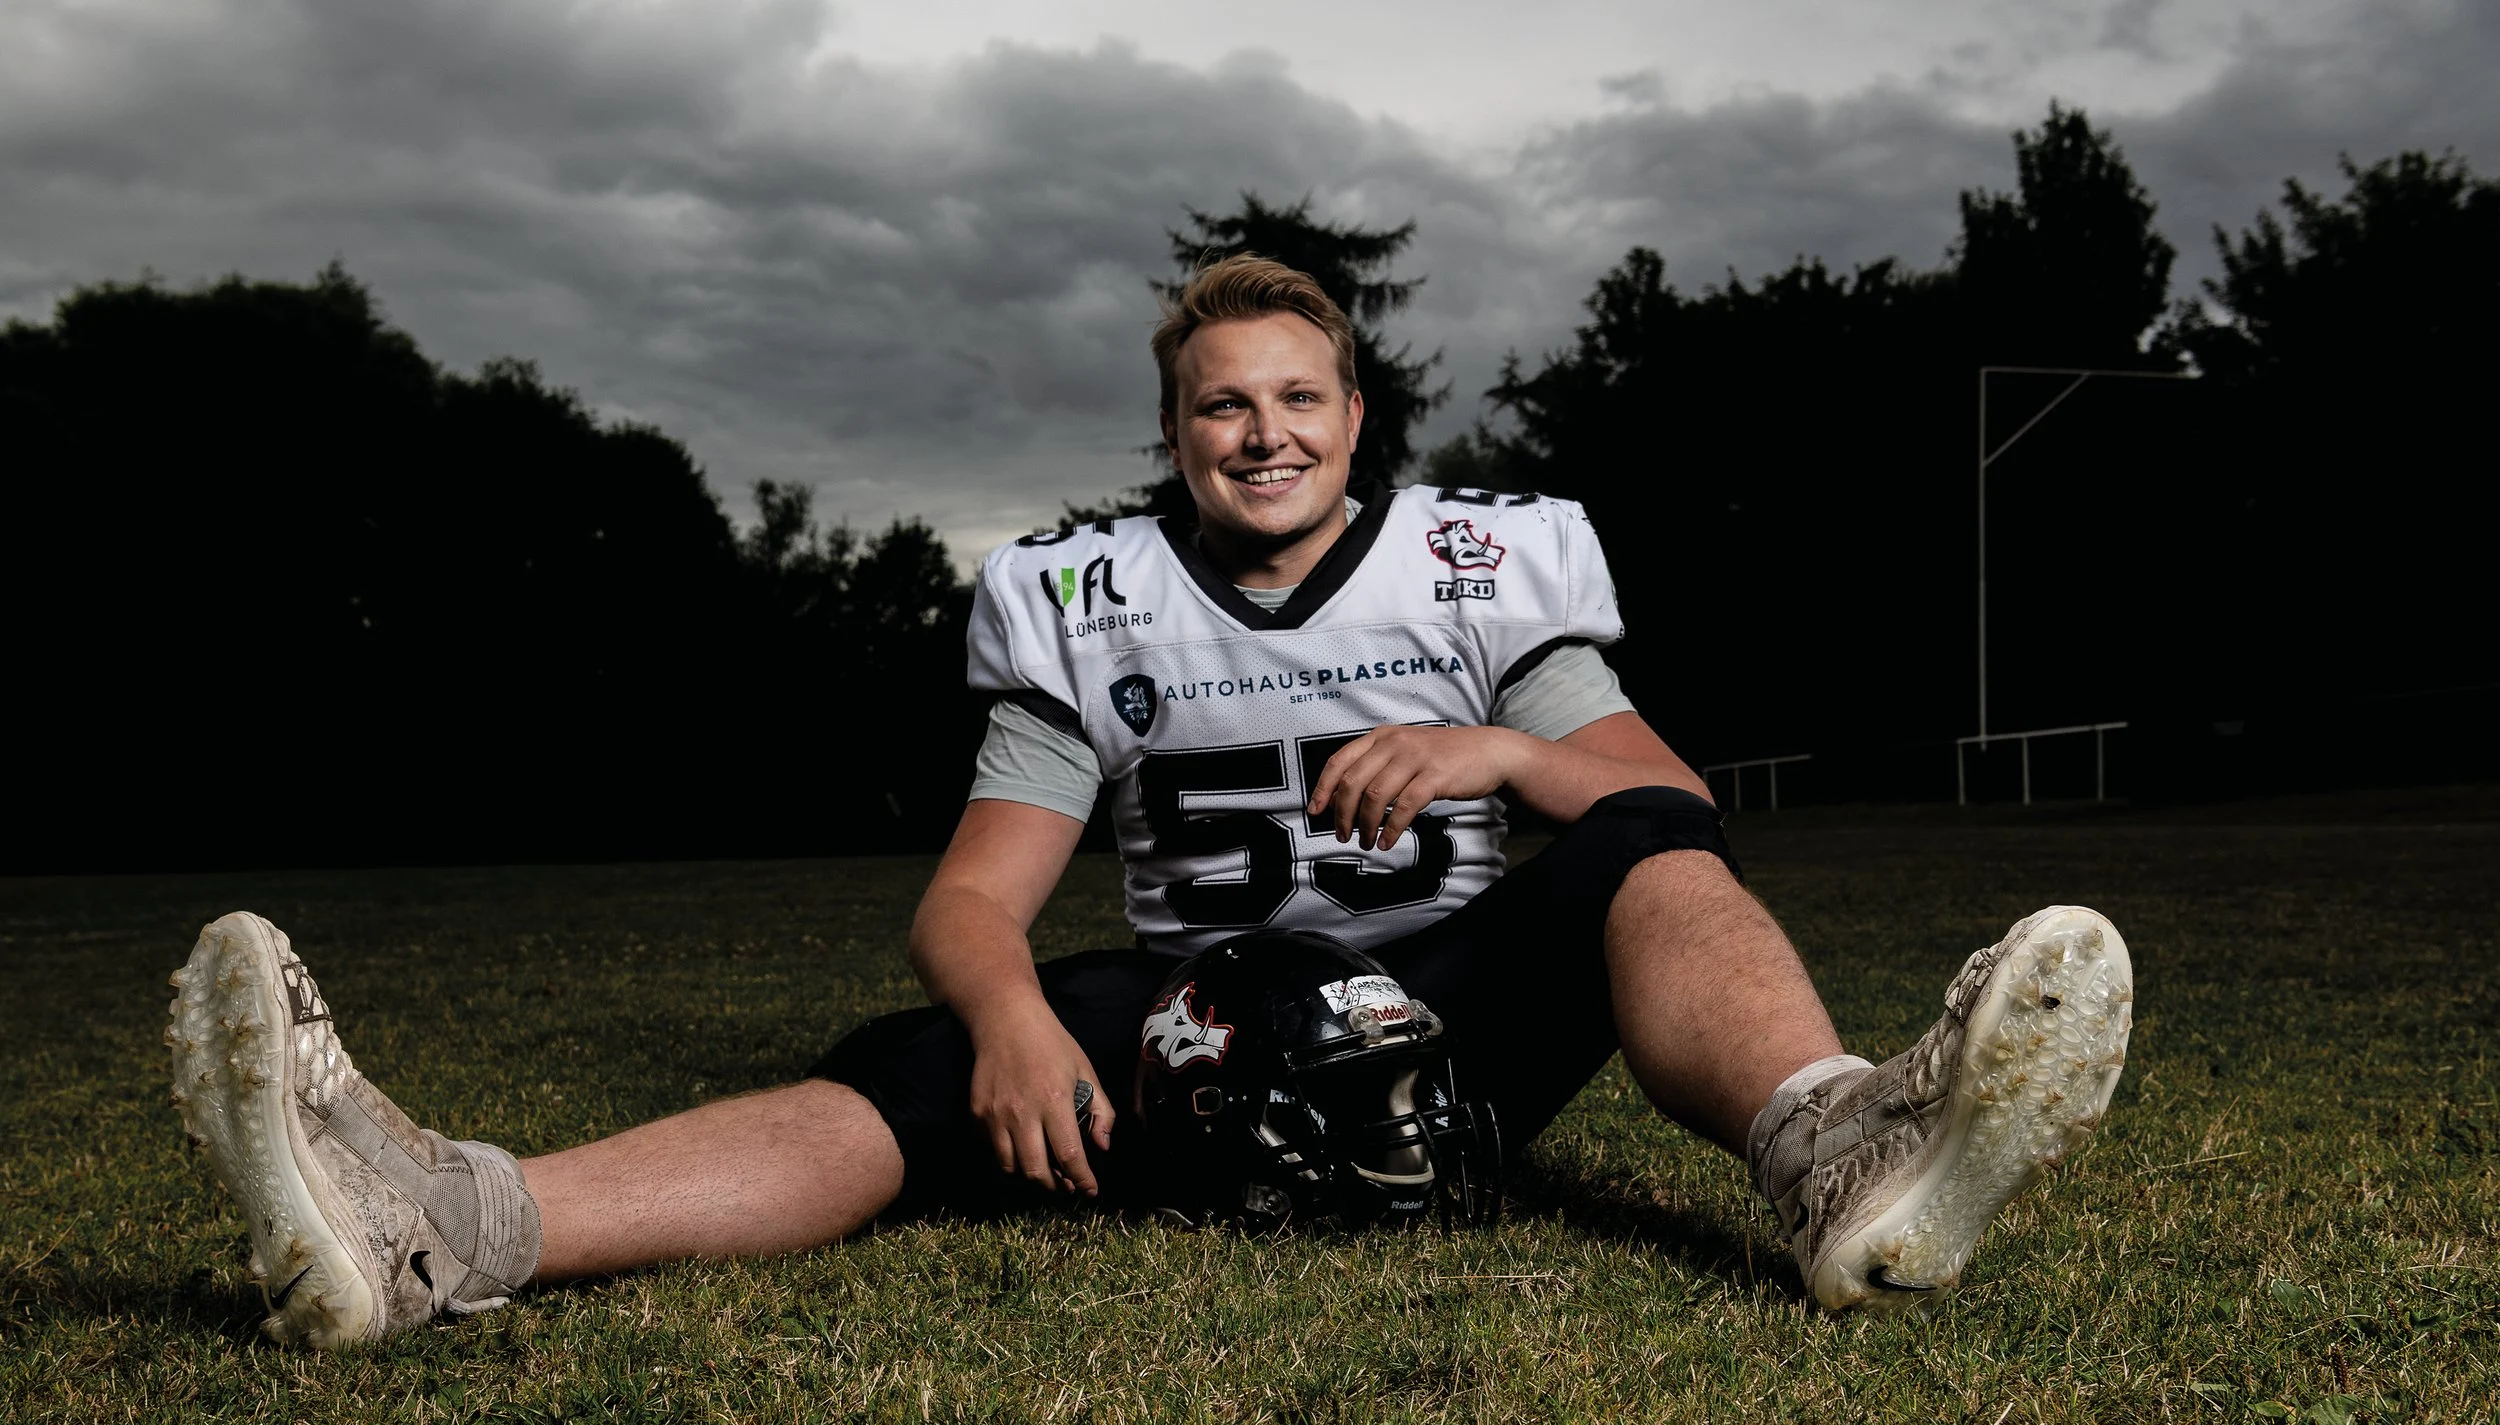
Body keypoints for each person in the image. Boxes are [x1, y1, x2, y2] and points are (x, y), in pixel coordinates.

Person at [164, 254, 2133, 1349]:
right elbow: (970, 897)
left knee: (1632, 848)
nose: (1262, 433)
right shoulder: (1081, 597)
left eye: (1298, 399)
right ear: (1176, 435)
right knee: (920, 1057)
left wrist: (1506, 754)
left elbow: (1654, 795)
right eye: (1221, 405)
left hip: (1451, 1011)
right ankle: (441, 1226)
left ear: (1354, 421)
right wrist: (1013, 1013)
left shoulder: (1477, 578)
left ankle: (1830, 1151)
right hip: (1186, 1027)